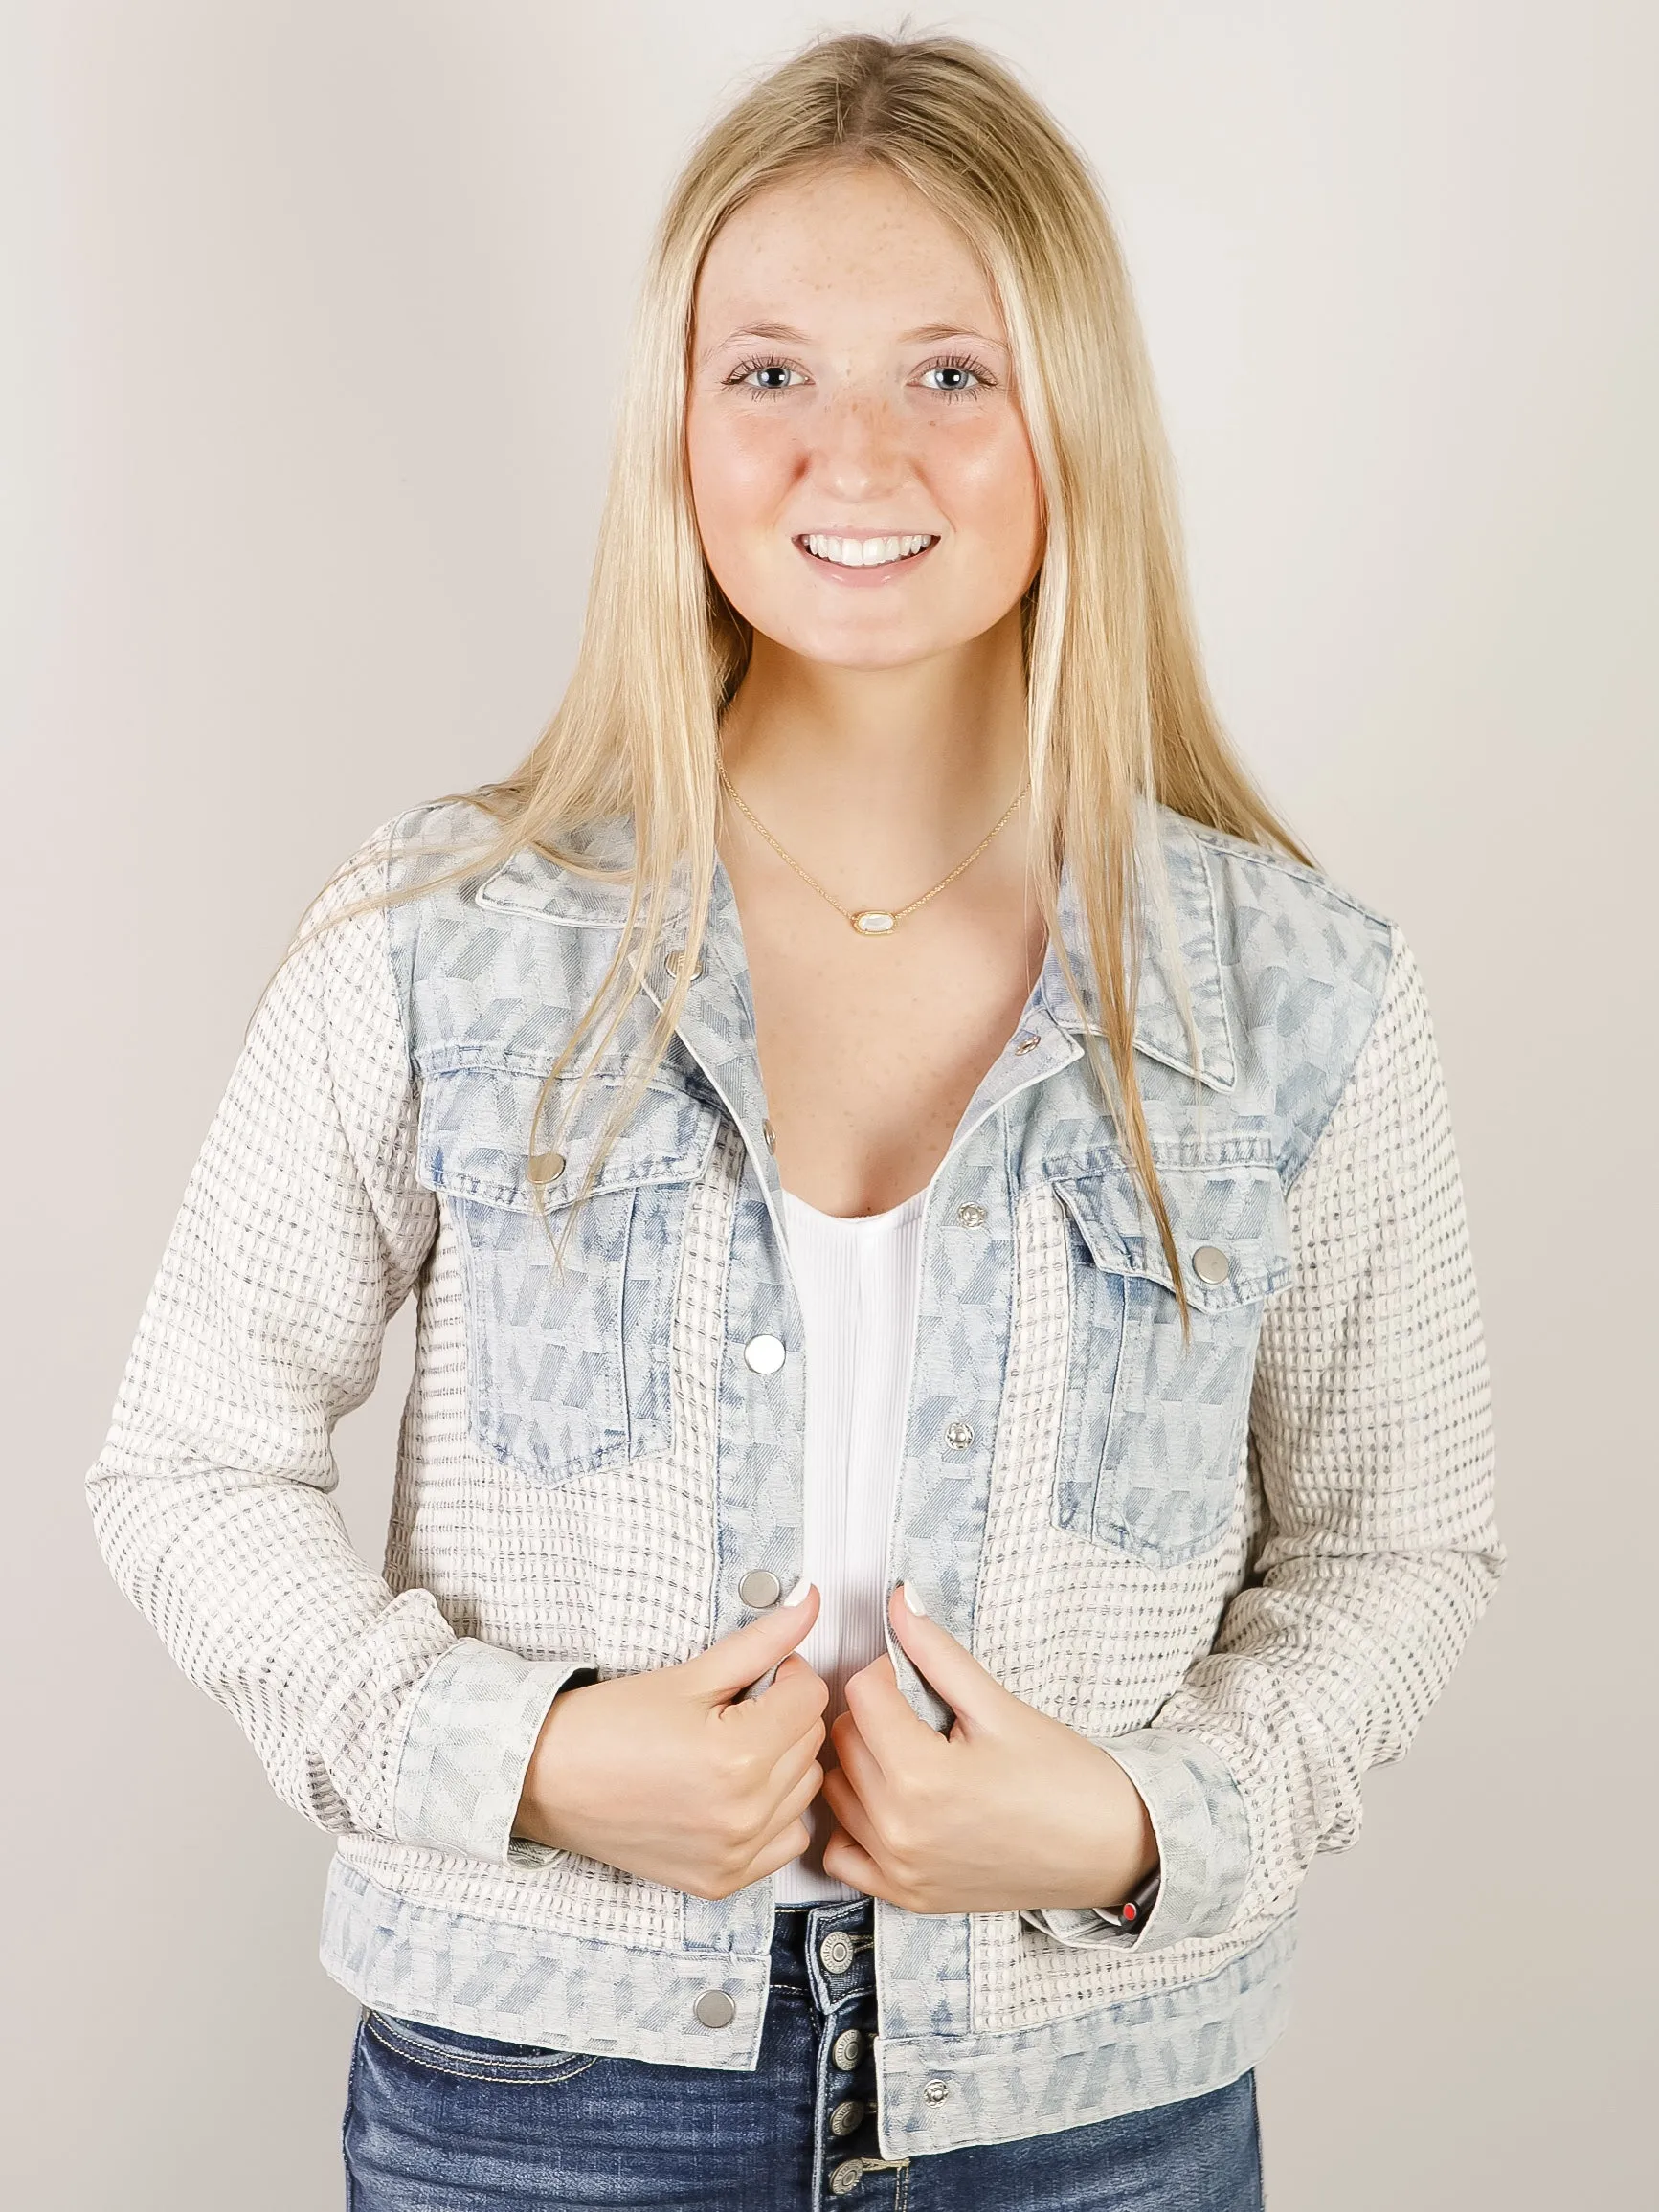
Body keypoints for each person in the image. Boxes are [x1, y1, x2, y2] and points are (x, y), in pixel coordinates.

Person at [86, 30, 1505, 2212]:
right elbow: (187, 1463)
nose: (852, 448)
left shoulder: (1301, 992)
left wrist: (1136, 1824)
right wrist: (530, 1757)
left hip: (1088, 2114)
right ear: (675, 423)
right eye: (765, 372)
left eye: (950, 370)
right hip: (540, 2105)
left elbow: (1396, 1548)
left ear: (1072, 423)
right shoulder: (437, 934)